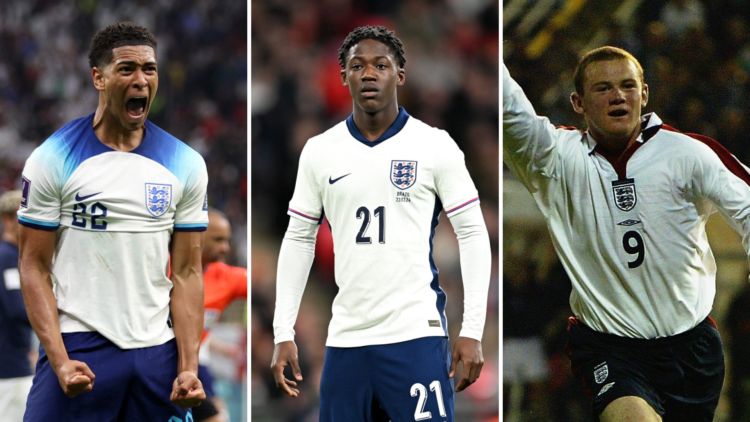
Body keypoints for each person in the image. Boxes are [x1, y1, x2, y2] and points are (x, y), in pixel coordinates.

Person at [503, 46, 743, 421]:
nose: (617, 96)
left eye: (628, 86)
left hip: (693, 348)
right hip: (610, 348)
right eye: (603, 89)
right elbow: (507, 109)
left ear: (644, 94)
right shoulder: (554, 158)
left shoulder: (686, 153)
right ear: (578, 102)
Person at [270, 25, 492, 421]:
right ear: (343, 77)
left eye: (381, 65)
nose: (369, 74)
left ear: (400, 75)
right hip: (346, 341)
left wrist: (472, 328)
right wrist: (283, 330)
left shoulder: (434, 145)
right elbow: (299, 238)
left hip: (415, 335)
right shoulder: (320, 151)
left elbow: (474, 232)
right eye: (357, 66)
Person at [18, 21, 208, 421]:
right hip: (80, 346)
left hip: (158, 352)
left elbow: (189, 272)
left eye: (149, 69)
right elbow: (33, 266)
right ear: (98, 78)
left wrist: (188, 365)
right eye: (127, 69)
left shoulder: (186, 164)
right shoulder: (52, 158)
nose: (141, 79)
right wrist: (59, 359)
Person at [193, 208, 247, 422]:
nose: (225, 248)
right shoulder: (163, 270)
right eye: (218, 240)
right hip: (156, 366)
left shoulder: (227, 278)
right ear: (196, 237)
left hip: (192, 366)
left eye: (227, 240)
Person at [0, 191, 34, 421]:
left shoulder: (14, 256)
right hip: (10, 365)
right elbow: (18, 309)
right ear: (7, 220)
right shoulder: (7, 258)